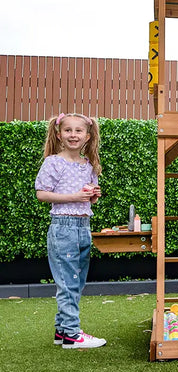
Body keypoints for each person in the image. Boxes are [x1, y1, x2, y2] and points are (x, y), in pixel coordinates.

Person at [35, 113, 106, 349]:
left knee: (76, 281)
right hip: (63, 227)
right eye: (68, 130)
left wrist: (92, 196)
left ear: (87, 136)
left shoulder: (89, 165)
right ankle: (72, 335)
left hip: (83, 226)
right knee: (67, 282)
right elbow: (42, 194)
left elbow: (89, 200)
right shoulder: (53, 162)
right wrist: (74, 197)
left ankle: (62, 330)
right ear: (59, 134)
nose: (73, 135)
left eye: (78, 131)